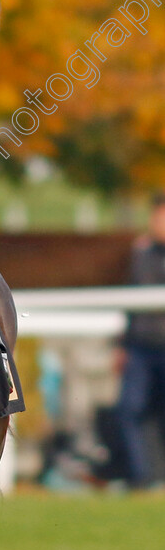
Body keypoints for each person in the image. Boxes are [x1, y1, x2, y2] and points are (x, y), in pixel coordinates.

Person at [115, 193, 165, 489]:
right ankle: (144, 478)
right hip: (141, 349)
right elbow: (130, 304)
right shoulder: (141, 255)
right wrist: (121, 346)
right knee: (130, 410)